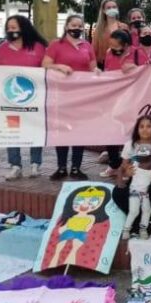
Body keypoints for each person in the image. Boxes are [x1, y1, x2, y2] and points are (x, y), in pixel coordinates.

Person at [0, 15, 48, 180]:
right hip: (10, 99)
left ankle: (35, 164)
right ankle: (15, 165)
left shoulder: (38, 47)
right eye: (8, 28)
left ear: (23, 28)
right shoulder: (2, 49)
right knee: (12, 131)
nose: (11, 31)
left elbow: (46, 69)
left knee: (35, 130)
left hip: (34, 98)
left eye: (14, 27)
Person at [43, 14, 96, 181]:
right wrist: (59, 66)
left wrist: (99, 74)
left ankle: (76, 167)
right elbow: (45, 64)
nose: (77, 28)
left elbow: (93, 67)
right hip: (61, 95)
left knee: (79, 131)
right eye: (74, 25)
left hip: (82, 96)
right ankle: (61, 167)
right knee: (62, 130)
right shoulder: (55, 45)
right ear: (66, 27)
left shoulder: (87, 45)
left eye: (80, 26)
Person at [106, 116, 151, 236]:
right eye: (141, 126)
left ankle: (150, 221)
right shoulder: (130, 145)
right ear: (137, 129)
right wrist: (124, 176)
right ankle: (136, 222)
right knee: (118, 192)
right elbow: (122, 168)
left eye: (149, 126)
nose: (145, 129)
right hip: (135, 180)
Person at [122, 149, 151, 240]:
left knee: (147, 210)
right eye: (141, 159)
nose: (144, 161)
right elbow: (125, 176)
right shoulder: (134, 165)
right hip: (134, 192)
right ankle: (126, 230)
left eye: (146, 159)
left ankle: (143, 230)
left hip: (145, 194)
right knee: (134, 211)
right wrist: (126, 174)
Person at [92, 0, 125, 67]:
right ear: (104, 10)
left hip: (122, 64)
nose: (112, 9)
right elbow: (93, 51)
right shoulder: (98, 30)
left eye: (114, 7)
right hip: (104, 66)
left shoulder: (124, 27)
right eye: (108, 8)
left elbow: (129, 48)